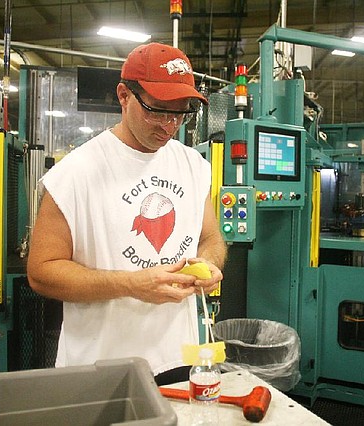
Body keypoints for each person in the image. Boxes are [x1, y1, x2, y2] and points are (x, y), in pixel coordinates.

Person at [26, 42, 227, 386]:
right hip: (100, 367)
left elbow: (211, 238)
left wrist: (209, 265)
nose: (168, 125)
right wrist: (133, 285)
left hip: (178, 359)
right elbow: (42, 272)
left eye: (180, 113)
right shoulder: (76, 172)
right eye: (157, 110)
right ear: (124, 95)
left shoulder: (194, 165)